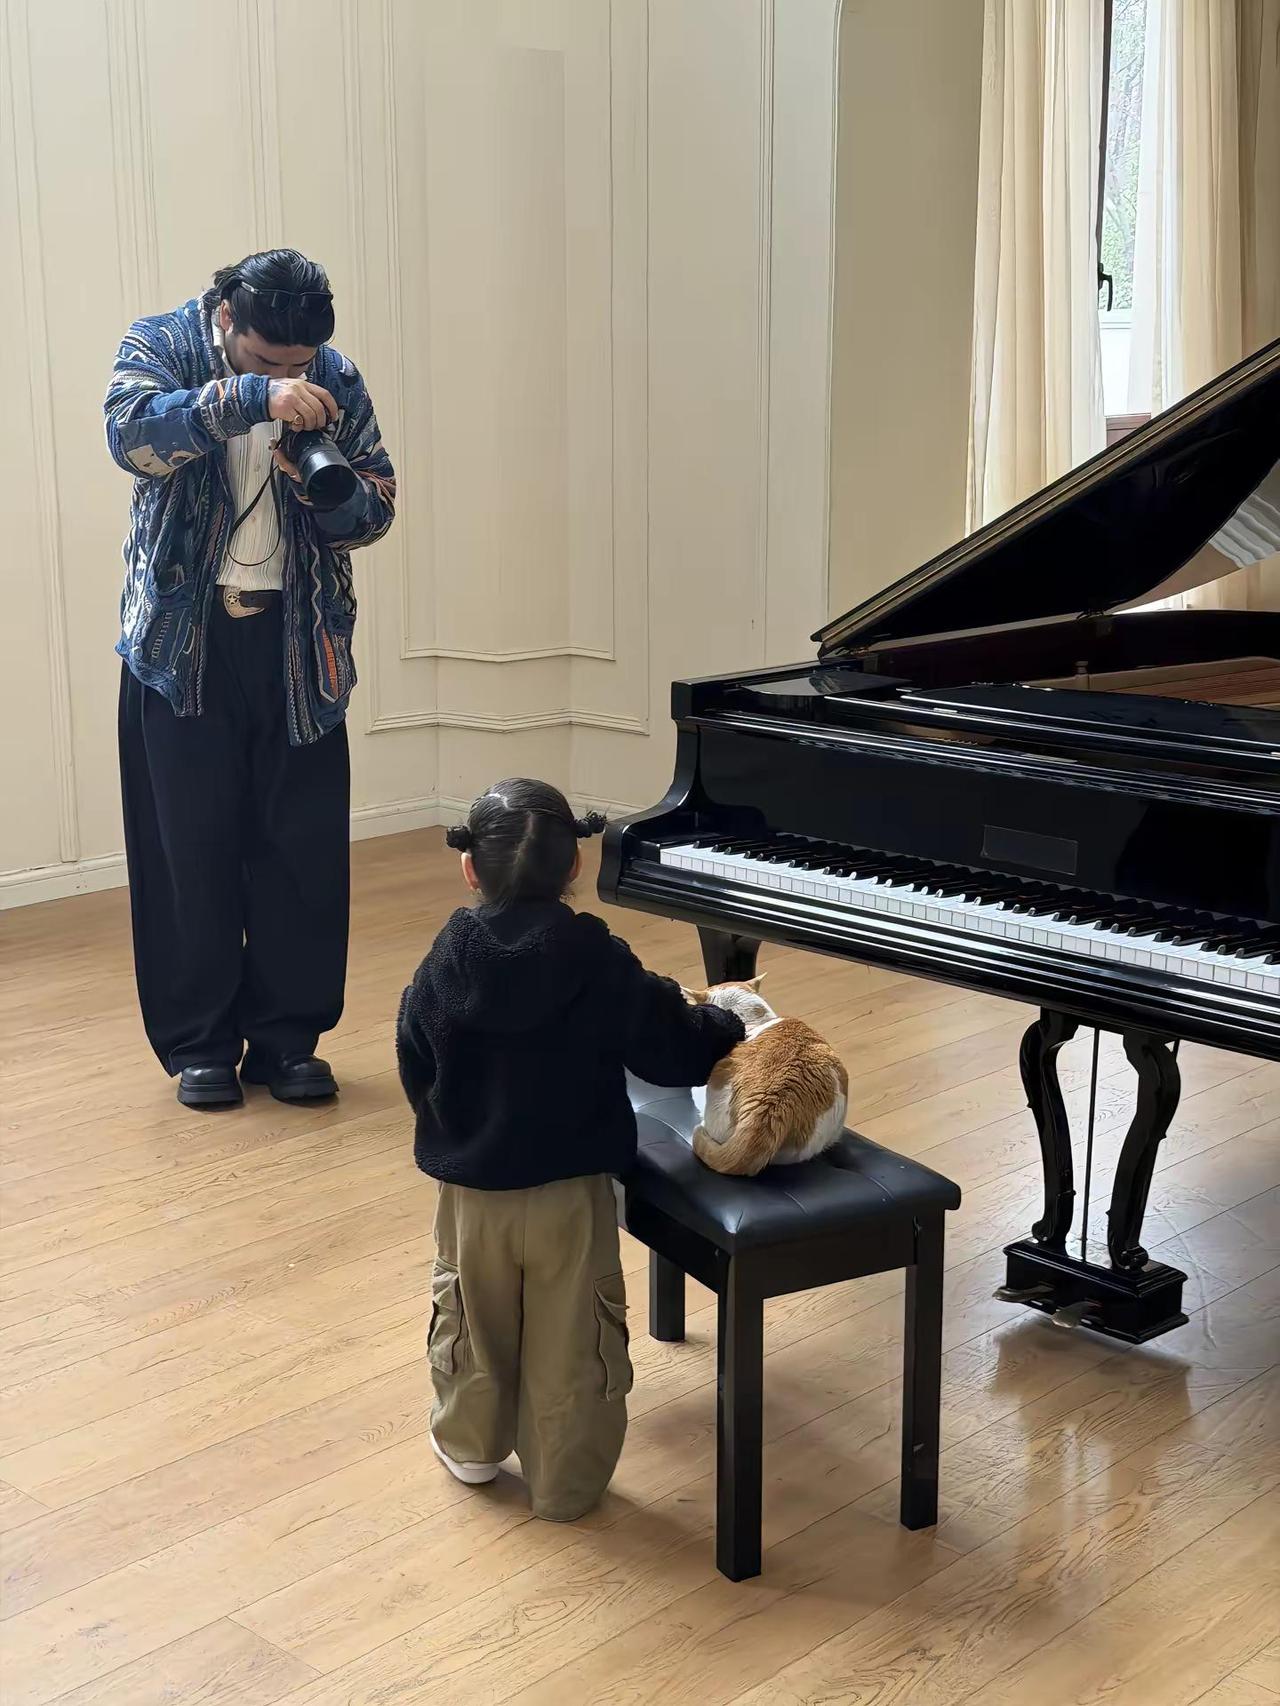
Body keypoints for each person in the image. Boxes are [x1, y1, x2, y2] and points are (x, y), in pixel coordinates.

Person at [396, 779, 745, 1521]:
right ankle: (567, 1482)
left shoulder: (445, 959)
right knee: (574, 1339)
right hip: (572, 1194)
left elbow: (414, 1056)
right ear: (577, 866)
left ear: (469, 868)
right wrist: (724, 1023)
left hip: (472, 1196)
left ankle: (470, 1448)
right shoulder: (597, 957)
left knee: (470, 1319)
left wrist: (453, 1123)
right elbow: (670, 1049)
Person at [104, 249, 396, 1109]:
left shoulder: (336, 376)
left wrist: (327, 494)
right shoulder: (160, 344)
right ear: (227, 318)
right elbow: (130, 438)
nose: (291, 375)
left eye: (299, 364)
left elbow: (377, 506)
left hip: (300, 647)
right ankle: (198, 1043)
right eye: (269, 360)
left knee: (300, 852)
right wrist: (250, 400)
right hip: (181, 648)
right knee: (187, 853)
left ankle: (287, 1041)